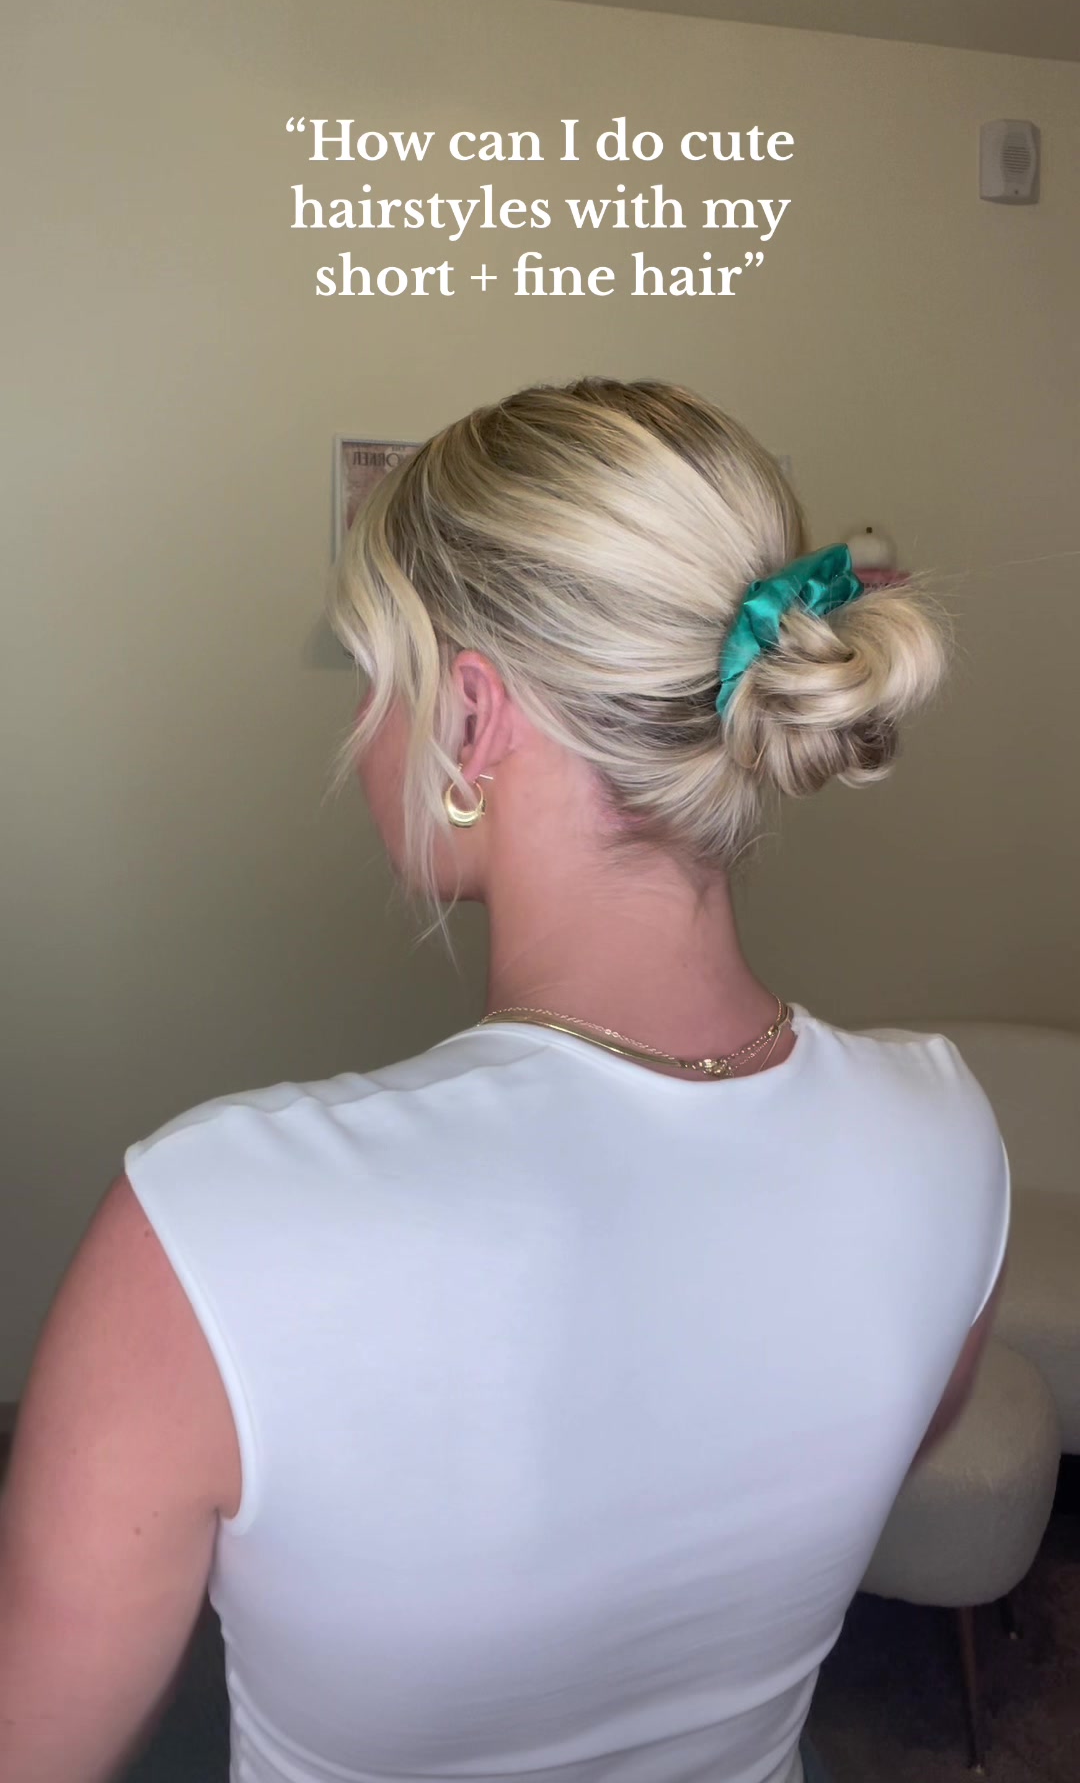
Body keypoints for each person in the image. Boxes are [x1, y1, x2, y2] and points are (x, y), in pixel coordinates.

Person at [0, 379, 1009, 1783]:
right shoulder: (945, 1127)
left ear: (473, 720)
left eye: (380, 677)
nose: (367, 727)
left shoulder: (208, 1227)